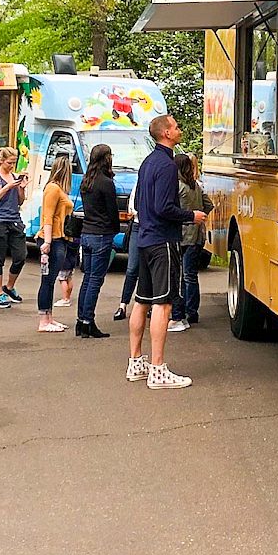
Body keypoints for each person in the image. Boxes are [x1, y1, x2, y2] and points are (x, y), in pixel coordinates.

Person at [127, 116, 201, 389]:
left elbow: (143, 203)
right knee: (164, 303)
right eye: (177, 127)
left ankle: (136, 362)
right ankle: (158, 367)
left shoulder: (147, 163)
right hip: (163, 241)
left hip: (145, 238)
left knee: (142, 300)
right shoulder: (168, 165)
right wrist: (191, 215)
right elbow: (164, 208)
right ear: (167, 133)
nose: (180, 130)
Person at [76, 143, 118, 338]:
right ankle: (88, 321)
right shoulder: (106, 182)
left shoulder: (87, 181)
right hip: (102, 233)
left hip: (87, 231)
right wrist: (116, 230)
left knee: (87, 278)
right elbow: (112, 211)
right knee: (95, 280)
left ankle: (80, 320)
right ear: (106, 159)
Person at [169, 153, 213, 332]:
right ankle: (192, 311)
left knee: (180, 275)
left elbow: (171, 209)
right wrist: (199, 215)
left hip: (181, 233)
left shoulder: (176, 186)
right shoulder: (195, 185)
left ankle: (180, 312)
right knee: (191, 275)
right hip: (196, 235)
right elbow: (209, 205)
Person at [35, 153, 74, 333]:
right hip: (53, 239)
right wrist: (48, 241)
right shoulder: (53, 189)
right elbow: (48, 216)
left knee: (50, 280)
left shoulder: (57, 189)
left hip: (59, 238)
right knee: (47, 280)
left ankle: (48, 317)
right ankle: (44, 319)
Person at [0, 147, 27, 309]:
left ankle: (9, 287)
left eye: (14, 163)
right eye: (9, 162)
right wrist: (7, 187)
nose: (12, 166)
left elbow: (20, 201)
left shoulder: (15, 177)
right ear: (1, 161)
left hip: (14, 220)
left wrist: (21, 188)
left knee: (20, 256)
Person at [112, 179, 139, 322]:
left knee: (149, 269)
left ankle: (149, 305)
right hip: (137, 225)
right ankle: (123, 305)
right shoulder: (138, 184)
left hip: (150, 227)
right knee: (132, 268)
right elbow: (132, 208)